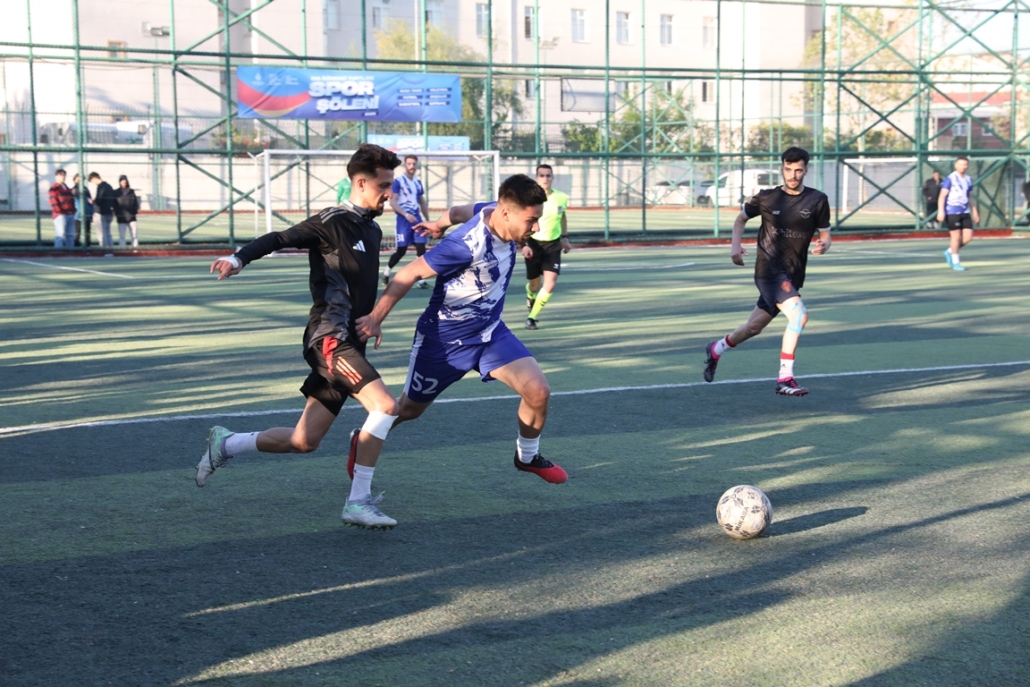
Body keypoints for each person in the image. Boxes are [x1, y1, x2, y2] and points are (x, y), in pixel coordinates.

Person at [196, 143, 405, 529]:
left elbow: (359, 288)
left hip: (350, 344)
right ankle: (358, 502)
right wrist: (238, 258)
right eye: (383, 185)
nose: (389, 193)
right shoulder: (331, 221)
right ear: (361, 183)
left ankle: (226, 443)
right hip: (329, 339)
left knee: (303, 441)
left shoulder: (373, 229)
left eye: (391, 185)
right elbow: (278, 238)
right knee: (386, 406)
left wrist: (373, 320)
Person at [357, 175, 568, 485]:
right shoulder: (464, 245)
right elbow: (409, 273)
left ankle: (527, 457)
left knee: (538, 391)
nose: (535, 228)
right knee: (408, 410)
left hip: (490, 333)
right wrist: (376, 318)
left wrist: (437, 224)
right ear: (506, 213)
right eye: (531, 220)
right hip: (444, 342)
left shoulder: (492, 209)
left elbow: (457, 211)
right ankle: (364, 437)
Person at [702, 147, 832, 397]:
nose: (792, 175)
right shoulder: (767, 198)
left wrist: (824, 244)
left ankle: (716, 349)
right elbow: (740, 219)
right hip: (769, 270)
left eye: (798, 170)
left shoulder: (817, 200)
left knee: (753, 327)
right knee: (799, 315)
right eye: (788, 169)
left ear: (806, 170)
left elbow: (825, 233)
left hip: (793, 274)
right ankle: (785, 378)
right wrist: (735, 245)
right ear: (782, 168)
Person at [523, 164, 572, 330]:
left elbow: (562, 217)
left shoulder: (561, 197)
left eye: (548, 175)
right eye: (542, 175)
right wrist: (524, 244)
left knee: (550, 284)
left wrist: (565, 238)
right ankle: (530, 295)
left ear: (552, 177)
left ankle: (531, 318)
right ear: (536, 178)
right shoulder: (529, 198)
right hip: (533, 244)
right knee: (534, 285)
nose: (545, 178)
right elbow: (523, 222)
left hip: (553, 245)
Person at [382, 154, 431, 289]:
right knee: (401, 251)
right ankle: (386, 273)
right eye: (409, 164)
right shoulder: (399, 181)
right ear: (405, 165)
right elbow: (392, 202)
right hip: (403, 220)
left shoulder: (417, 182)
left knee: (421, 249)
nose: (412, 166)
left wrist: (428, 221)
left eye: (414, 164)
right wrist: (405, 214)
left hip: (416, 219)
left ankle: (420, 280)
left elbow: (422, 202)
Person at [937, 156, 978, 272]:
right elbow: (942, 196)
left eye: (965, 164)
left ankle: (949, 251)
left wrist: (975, 211)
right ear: (956, 165)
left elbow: (969, 197)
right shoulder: (950, 178)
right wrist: (941, 211)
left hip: (965, 211)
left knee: (968, 237)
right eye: (961, 164)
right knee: (955, 237)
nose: (963, 167)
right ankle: (956, 262)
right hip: (952, 211)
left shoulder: (968, 179)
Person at [47, 169, 76, 248]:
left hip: (70, 213)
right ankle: (58, 252)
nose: (63, 177)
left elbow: (71, 200)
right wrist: (60, 212)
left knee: (70, 235)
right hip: (60, 215)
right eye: (60, 175)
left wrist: (73, 211)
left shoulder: (66, 187)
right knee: (60, 234)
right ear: (56, 176)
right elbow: (53, 202)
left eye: (64, 175)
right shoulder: (54, 188)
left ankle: (70, 251)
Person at [88, 172, 116, 248]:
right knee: (108, 233)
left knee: (101, 233)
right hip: (109, 212)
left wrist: (93, 202)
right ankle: (110, 249)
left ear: (94, 178)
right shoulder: (109, 186)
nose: (93, 183)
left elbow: (99, 200)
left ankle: (104, 249)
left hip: (100, 212)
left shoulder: (101, 187)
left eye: (92, 181)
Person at [114, 175, 140, 248]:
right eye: (122, 181)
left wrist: (134, 211)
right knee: (122, 236)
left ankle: (135, 249)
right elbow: (114, 204)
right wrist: (118, 212)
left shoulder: (131, 191)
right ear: (120, 182)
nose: (124, 183)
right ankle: (122, 249)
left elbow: (135, 203)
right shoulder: (116, 192)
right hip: (121, 217)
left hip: (131, 217)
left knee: (134, 235)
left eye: (125, 181)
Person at [71, 173, 93, 247]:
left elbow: (90, 201)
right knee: (77, 232)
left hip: (87, 214)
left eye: (81, 179)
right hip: (77, 215)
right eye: (78, 179)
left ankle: (87, 247)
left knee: (87, 232)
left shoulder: (86, 189)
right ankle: (76, 246)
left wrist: (91, 213)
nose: (80, 181)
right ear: (74, 180)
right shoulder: (73, 190)